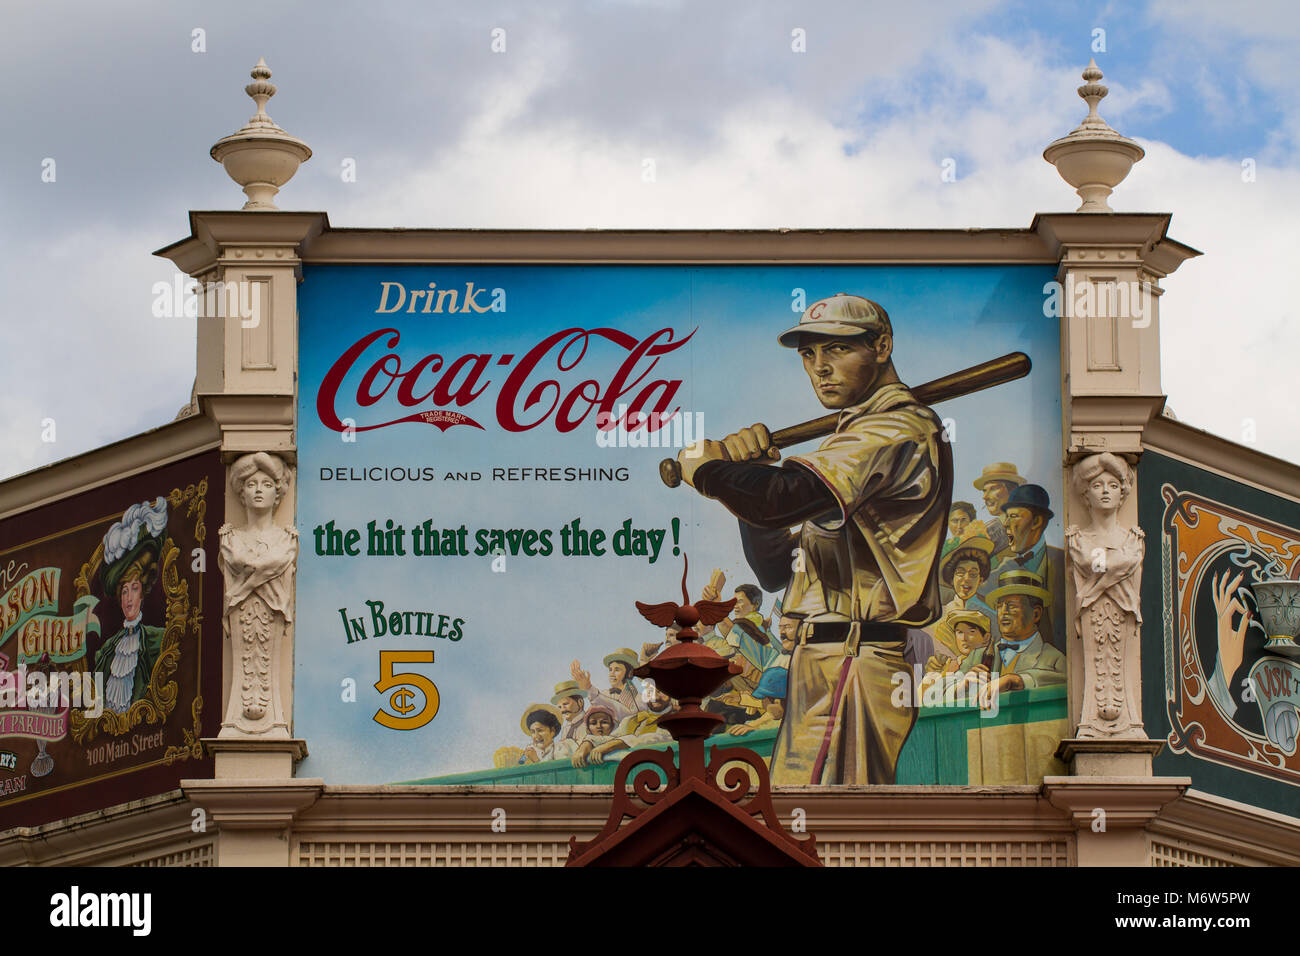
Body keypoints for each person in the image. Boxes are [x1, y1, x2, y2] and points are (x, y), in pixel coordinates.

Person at [675, 292, 953, 785]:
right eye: (809, 354)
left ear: (882, 345)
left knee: (828, 830)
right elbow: (775, 569)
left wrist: (710, 472)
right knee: (802, 825)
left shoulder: (897, 427)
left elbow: (782, 497)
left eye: (838, 349)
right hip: (821, 658)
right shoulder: (849, 438)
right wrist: (750, 475)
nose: (820, 368)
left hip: (857, 655)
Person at [94, 499, 169, 714]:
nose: (128, 598)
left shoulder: (158, 641)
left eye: (134, 588)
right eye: (124, 591)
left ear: (143, 592)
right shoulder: (106, 652)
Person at [980, 483, 1066, 648]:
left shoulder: (1061, 561)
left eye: (1013, 516)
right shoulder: (1002, 564)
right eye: (1006, 517)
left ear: (1036, 522)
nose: (1005, 524)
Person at [966, 570, 1066, 702]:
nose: (1003, 612)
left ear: (1036, 614)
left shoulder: (1054, 658)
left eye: (1012, 606)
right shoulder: (977, 656)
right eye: (999, 606)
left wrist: (1017, 680)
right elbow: (936, 693)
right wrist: (961, 686)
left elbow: (1068, 682)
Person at [571, 689, 676, 767]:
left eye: (661, 691)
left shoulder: (675, 721)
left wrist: (613, 745)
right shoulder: (630, 720)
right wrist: (588, 743)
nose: (655, 697)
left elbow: (654, 739)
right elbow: (611, 739)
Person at [918, 609, 992, 701]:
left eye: (971, 632)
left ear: (986, 638)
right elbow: (923, 699)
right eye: (960, 632)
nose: (964, 638)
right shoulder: (949, 666)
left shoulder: (989, 659)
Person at [972, 462, 1026, 560]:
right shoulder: (988, 529)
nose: (985, 497)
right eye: (984, 491)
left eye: (993, 489)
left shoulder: (1022, 523)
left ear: (1012, 490)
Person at [570, 649, 642, 721]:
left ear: (630, 673)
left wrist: (589, 688)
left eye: (617, 670)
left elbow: (626, 715)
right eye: (610, 670)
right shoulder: (603, 694)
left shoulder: (638, 698)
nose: (612, 674)